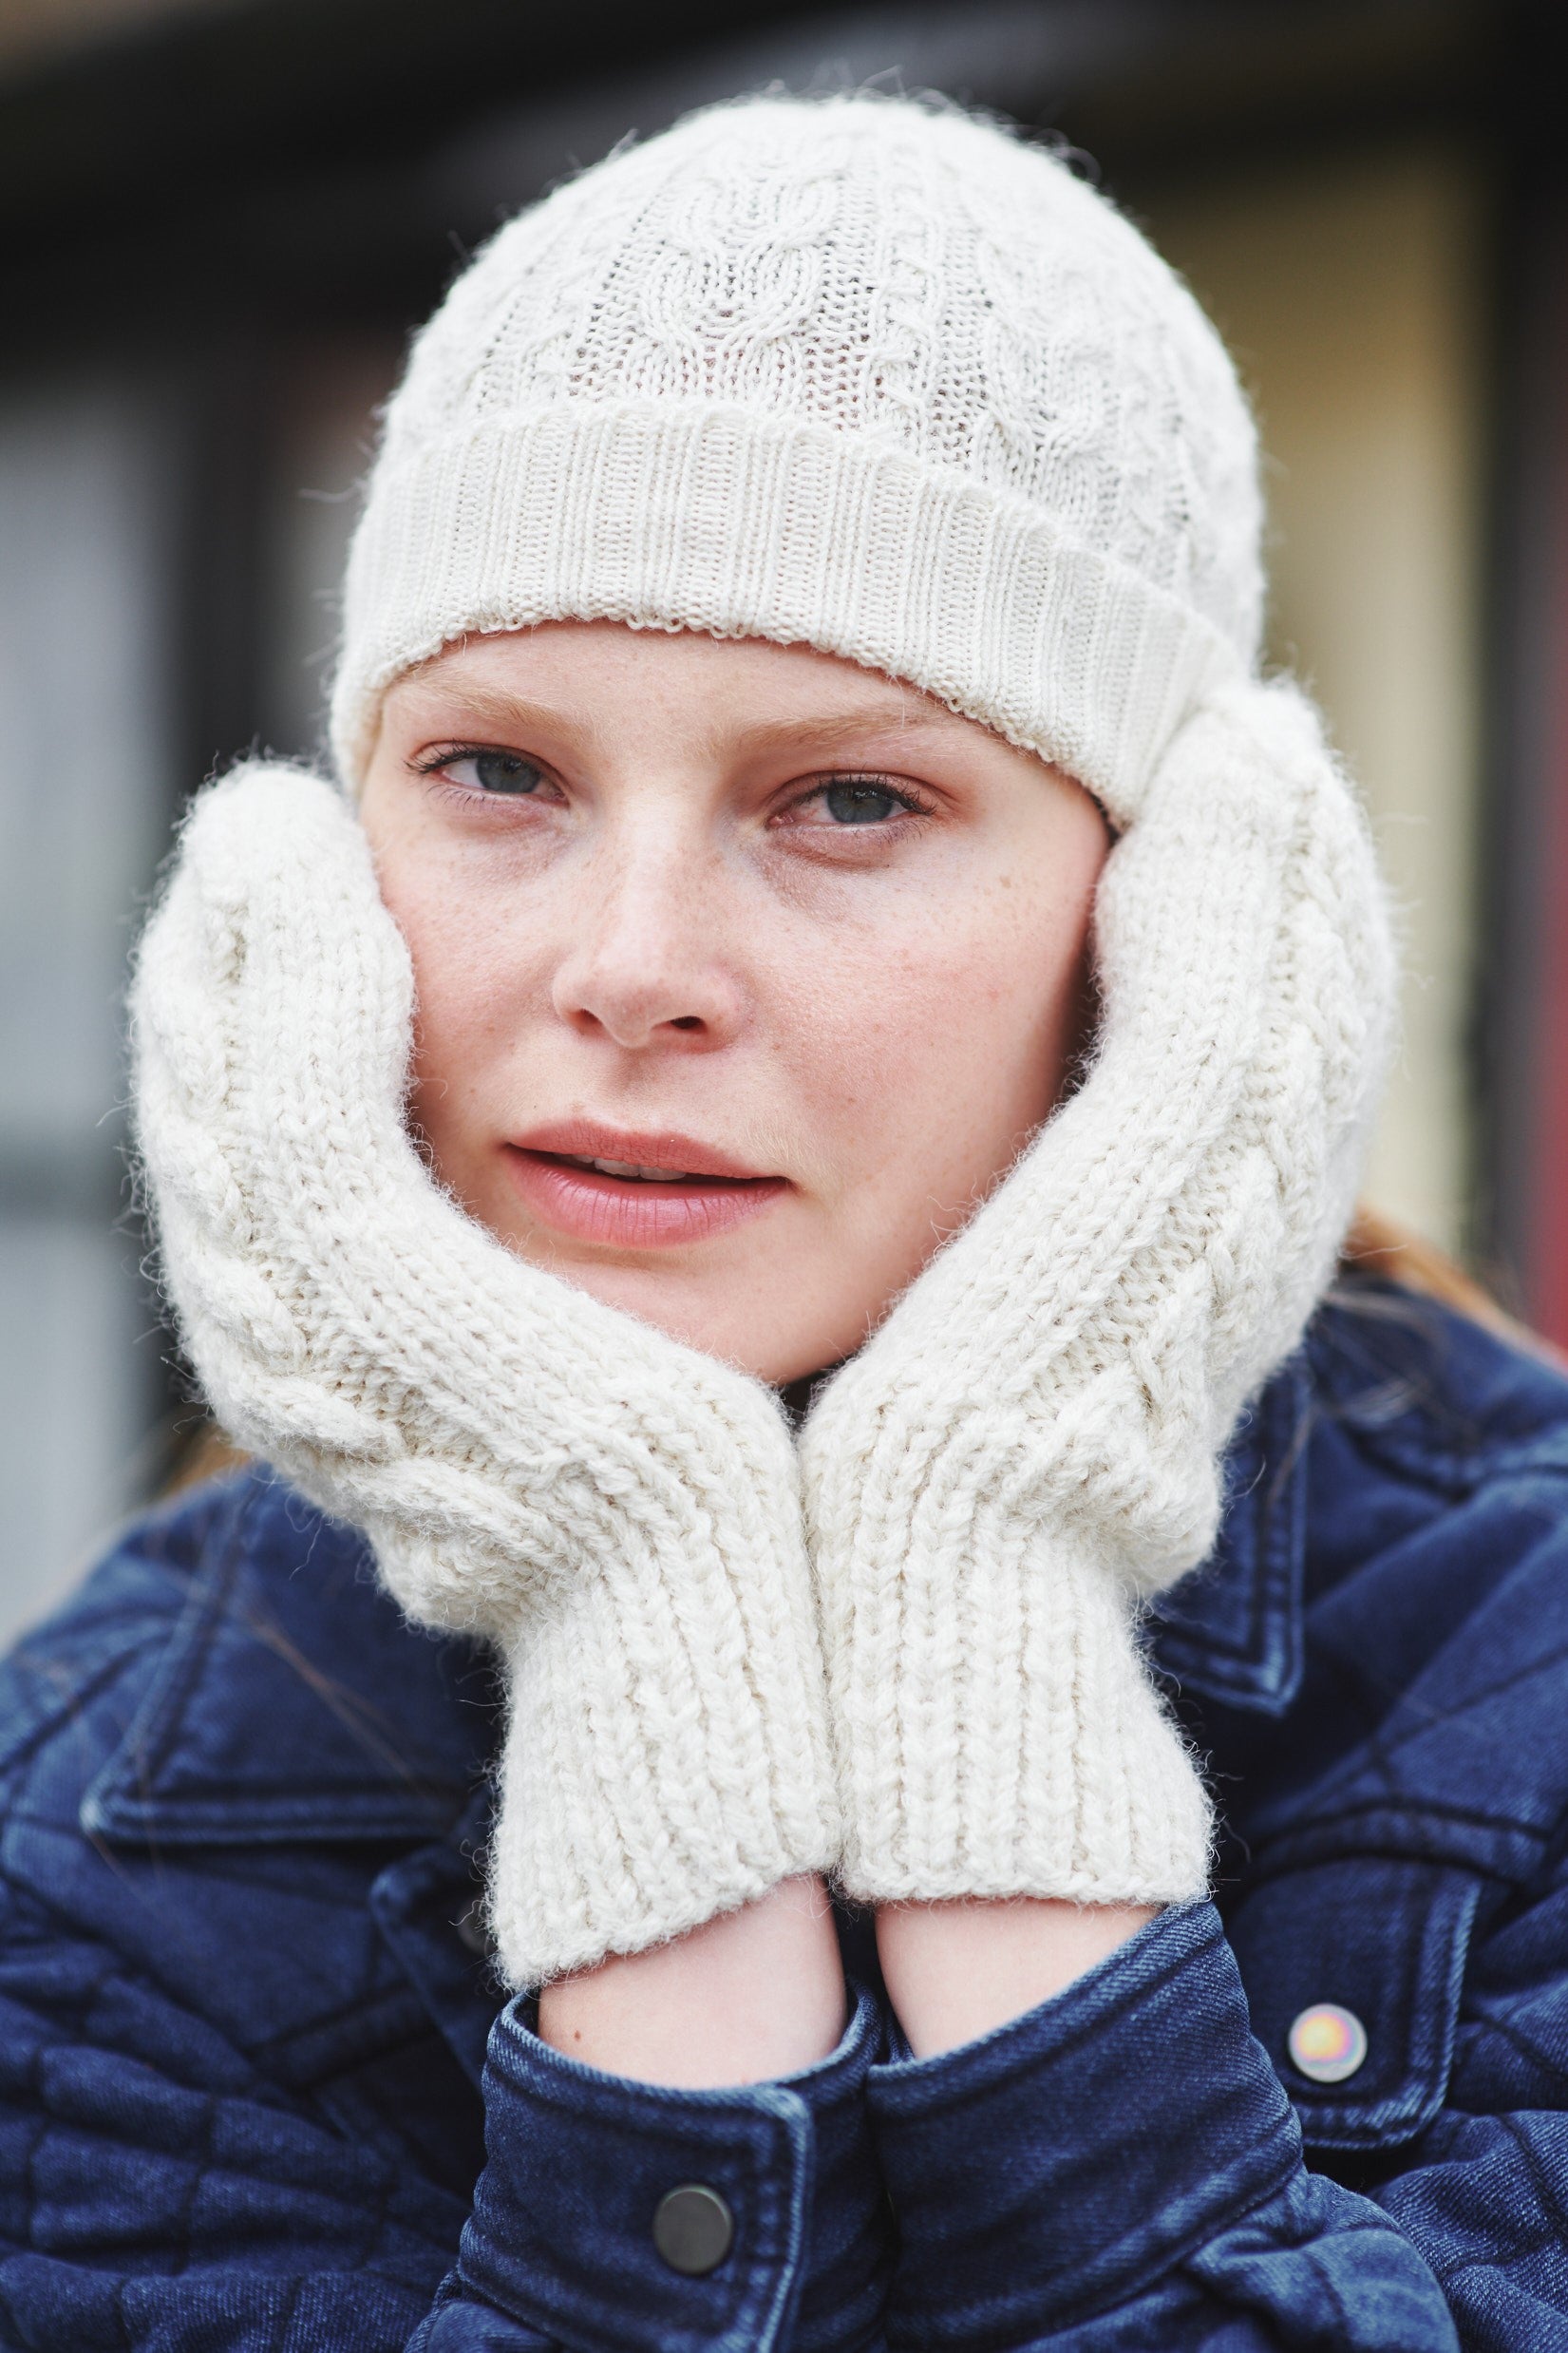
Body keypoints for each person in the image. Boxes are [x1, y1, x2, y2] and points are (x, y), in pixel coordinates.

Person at [1, 89, 1565, 2353]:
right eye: (499, 772)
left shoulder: (1517, 1665)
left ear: (1175, 919)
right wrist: (641, 1675)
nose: (630, 967)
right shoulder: (98, 1831)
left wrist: (990, 1609)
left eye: (846, 798)